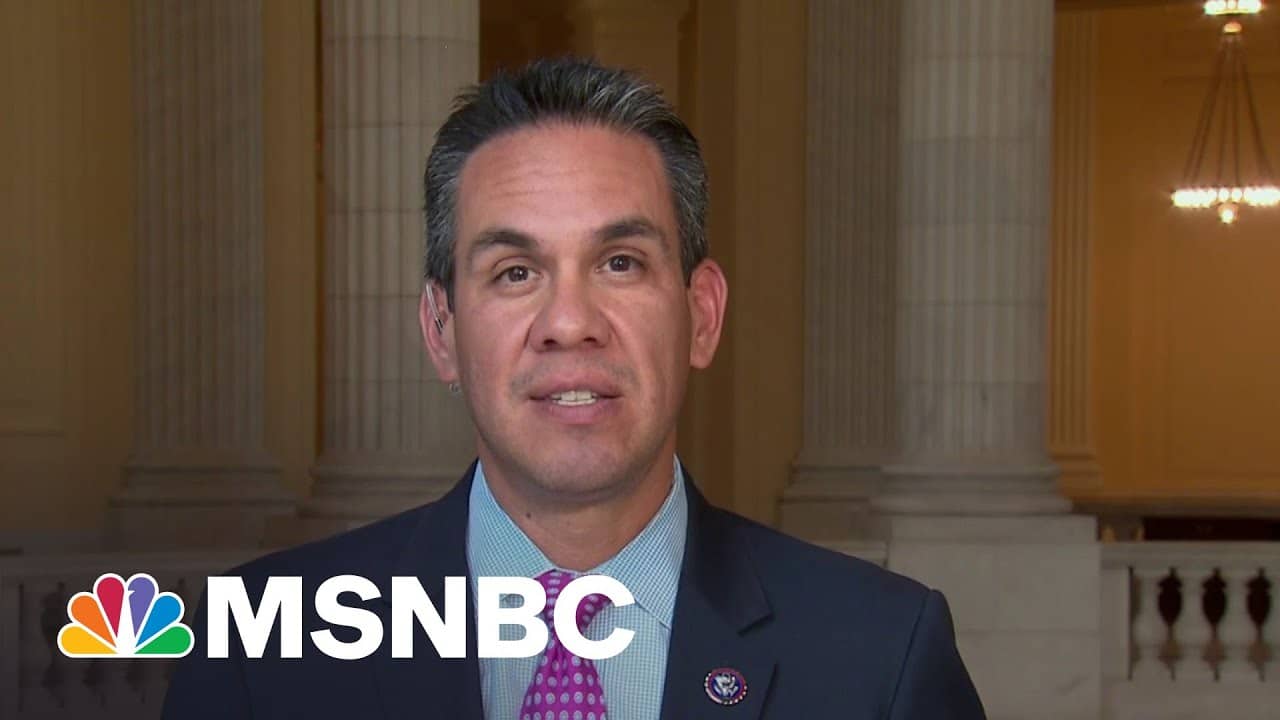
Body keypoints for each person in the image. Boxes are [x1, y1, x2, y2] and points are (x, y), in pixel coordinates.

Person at [163, 56, 985, 719]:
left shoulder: (881, 657)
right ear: (441, 330)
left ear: (701, 315)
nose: (569, 322)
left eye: (620, 263)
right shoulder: (259, 653)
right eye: (515, 271)